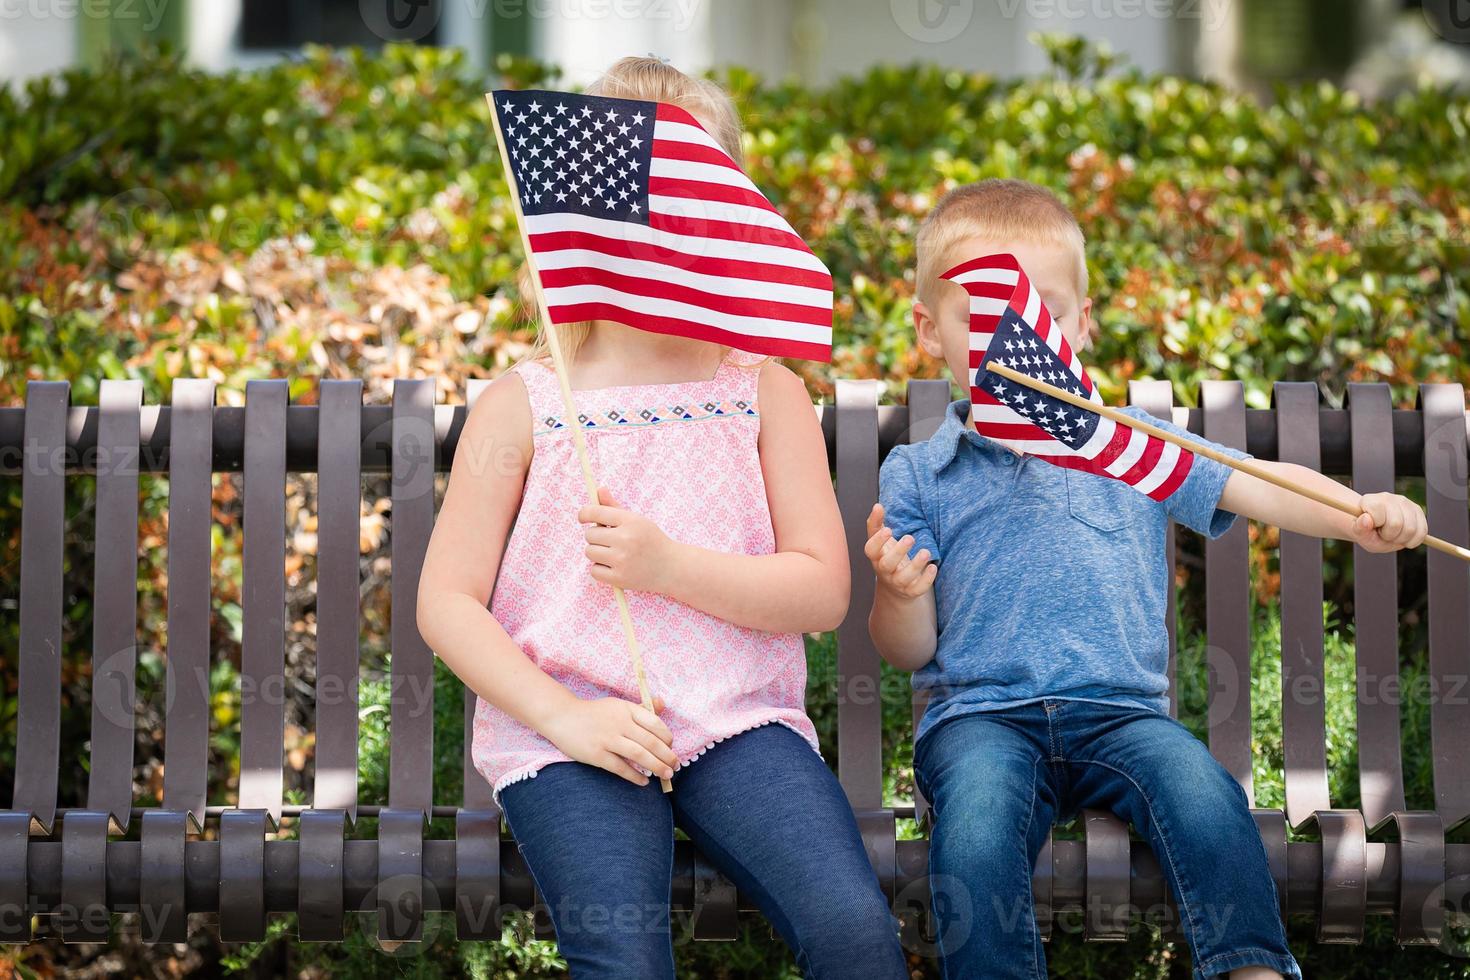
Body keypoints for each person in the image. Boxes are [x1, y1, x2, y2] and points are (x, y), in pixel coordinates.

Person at [418, 56, 908, 980]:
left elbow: (820, 590)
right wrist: (564, 720)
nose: (664, 215)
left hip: (737, 725)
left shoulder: (764, 392)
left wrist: (669, 566)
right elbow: (447, 601)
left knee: (853, 933)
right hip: (571, 736)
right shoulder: (523, 405)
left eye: (693, 187)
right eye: (640, 187)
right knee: (623, 958)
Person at [867, 178, 1427, 980]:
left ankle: (1251, 969)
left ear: (1083, 325)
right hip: (982, 719)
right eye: (983, 319)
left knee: (1205, 800)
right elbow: (905, 648)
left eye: (1046, 314)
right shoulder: (921, 473)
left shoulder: (1131, 443)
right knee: (978, 833)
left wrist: (1358, 514)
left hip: (1121, 714)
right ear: (930, 331)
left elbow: (1257, 481)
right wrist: (899, 590)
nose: (1019, 340)